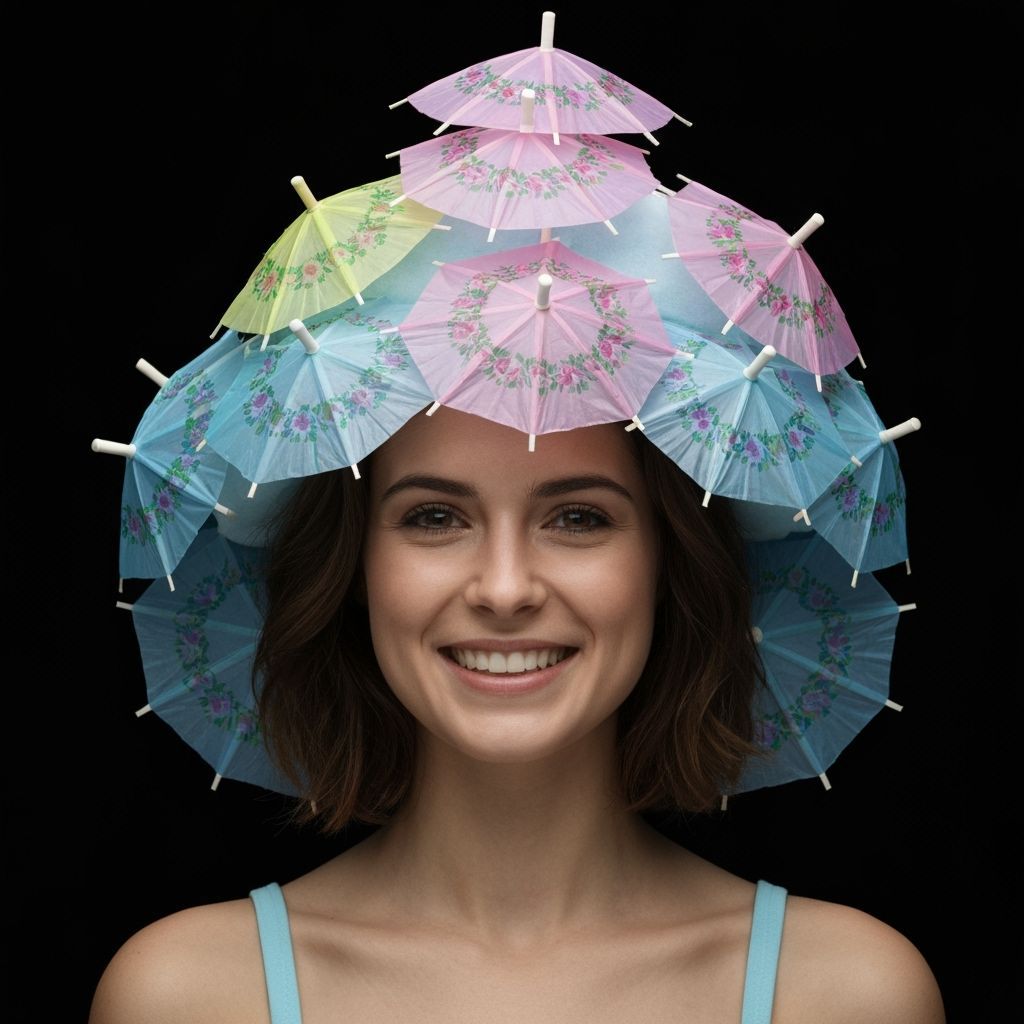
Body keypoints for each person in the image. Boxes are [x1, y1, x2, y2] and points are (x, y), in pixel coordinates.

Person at [89, 405, 946, 1023]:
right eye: (433, 517)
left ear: (670, 564)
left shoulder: (842, 994)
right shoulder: (190, 995)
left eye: (578, 517)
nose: (504, 589)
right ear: (353, 569)